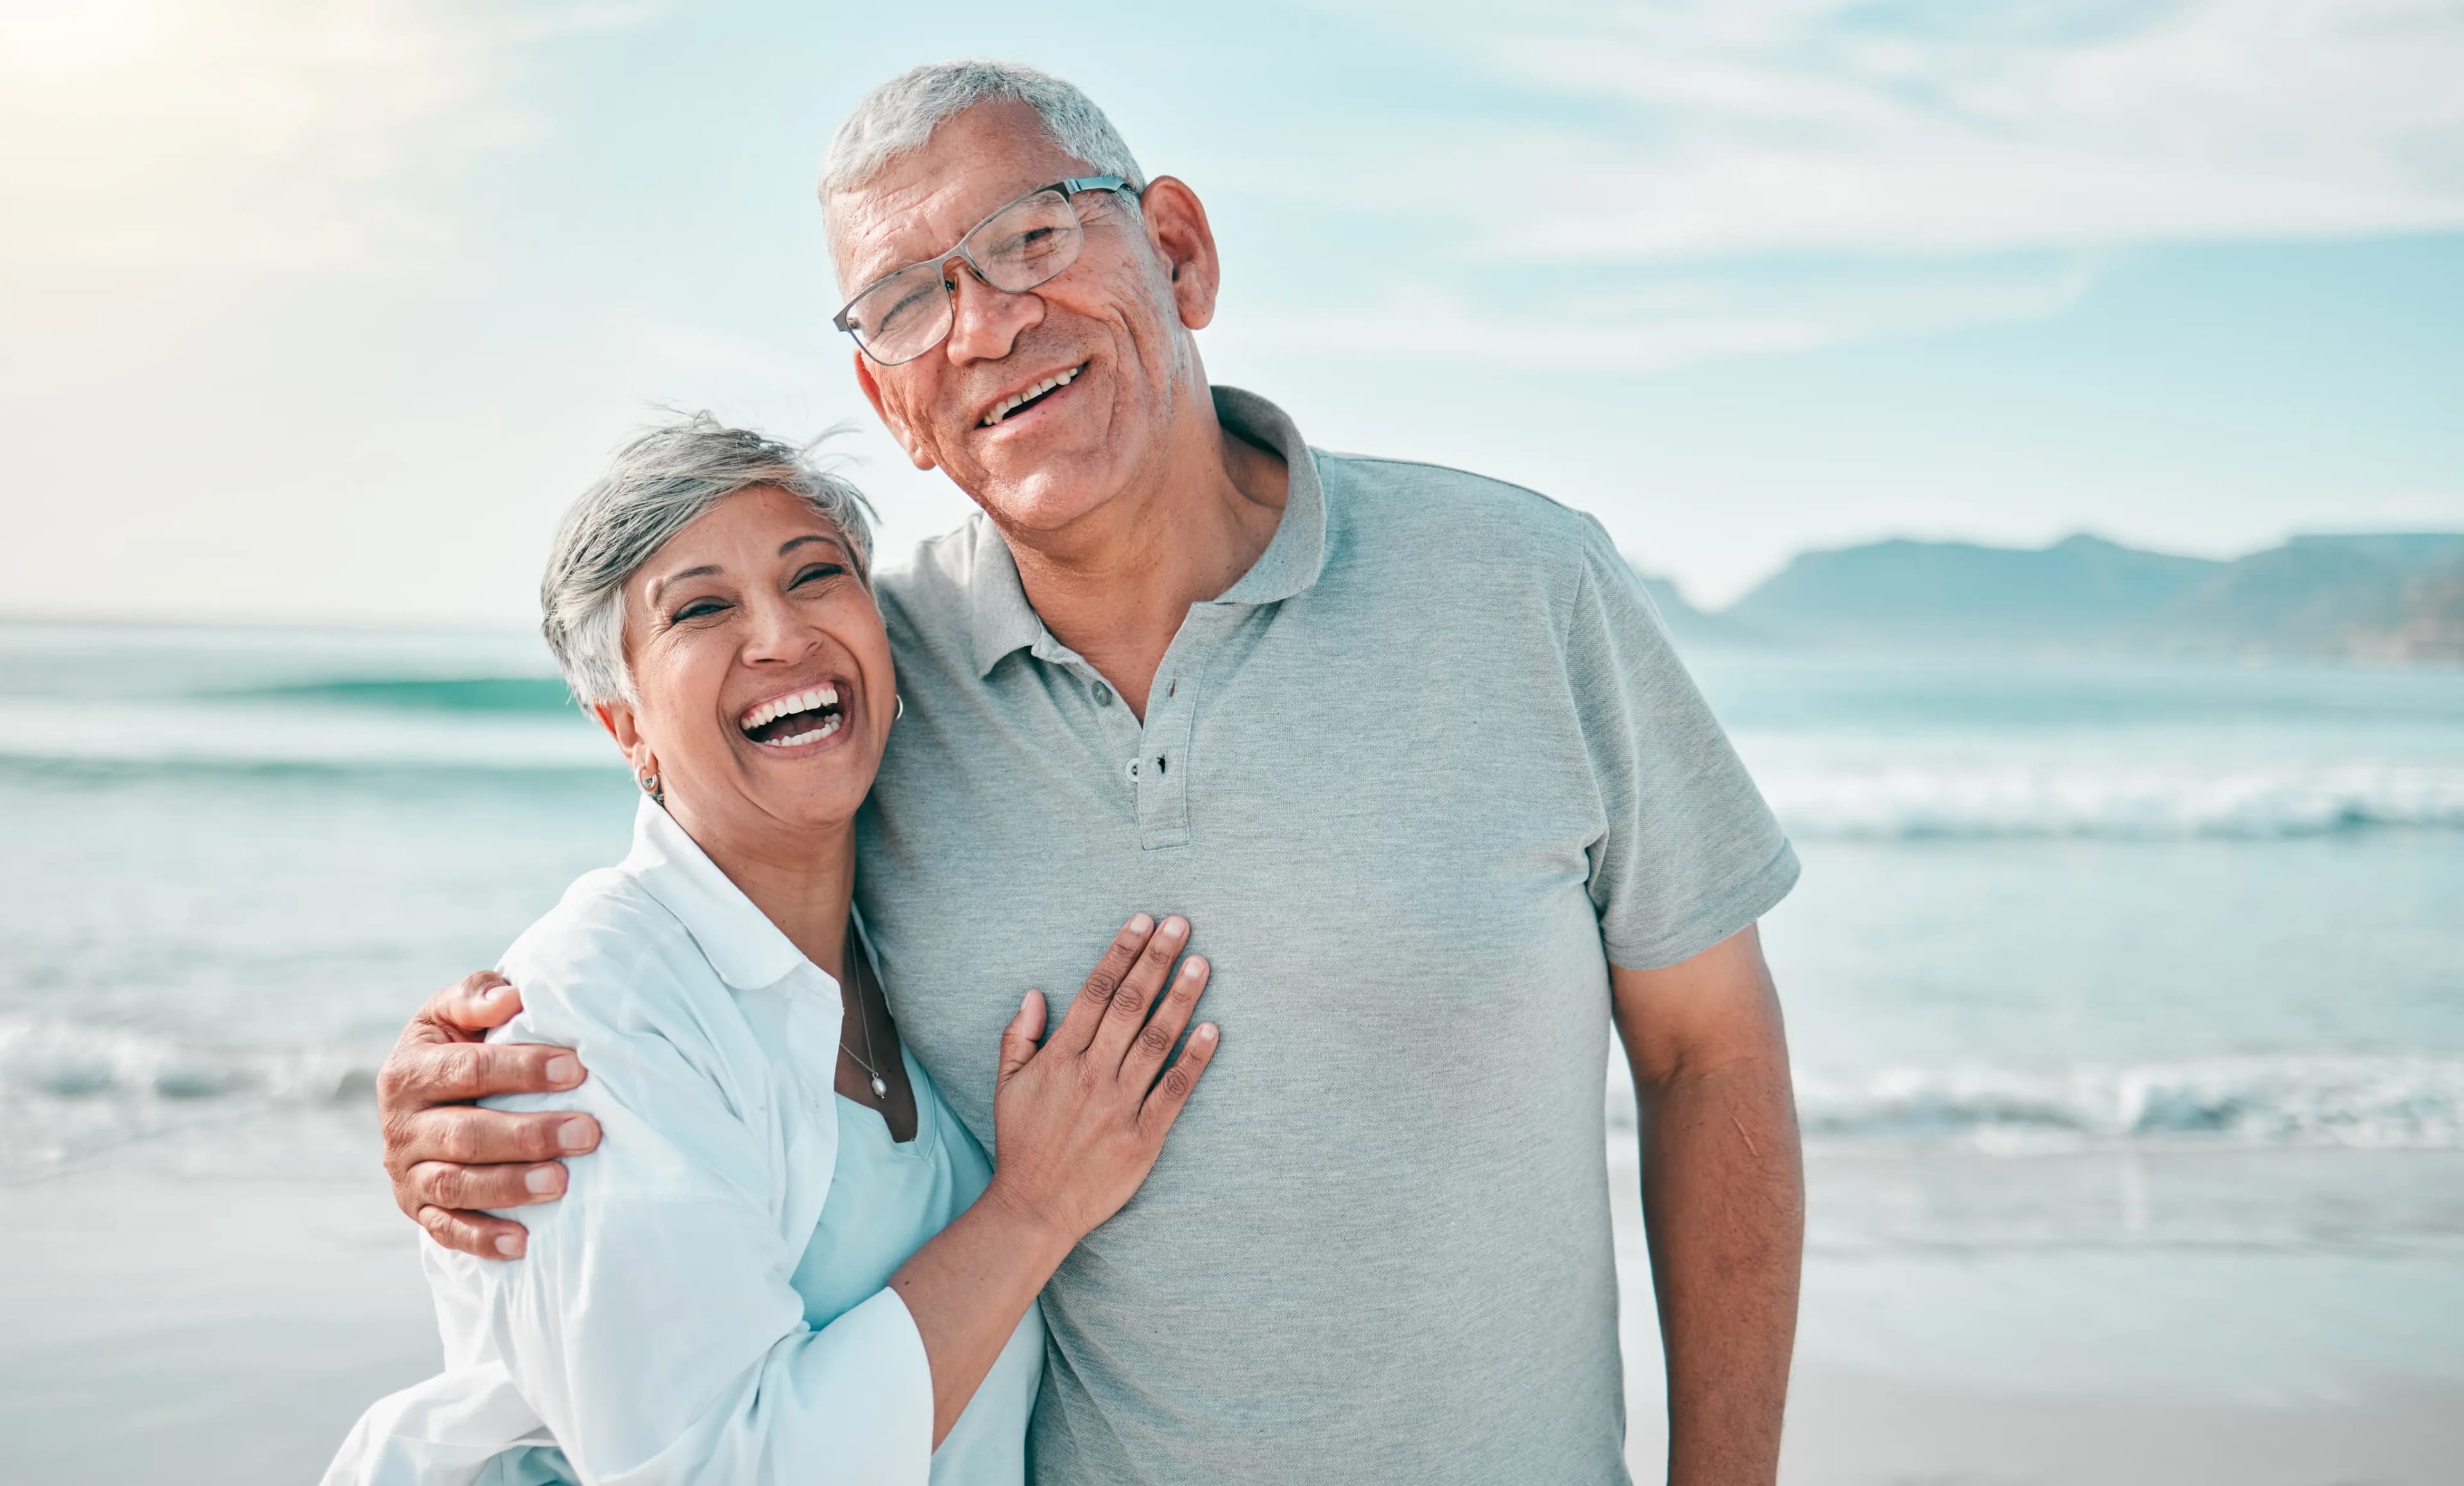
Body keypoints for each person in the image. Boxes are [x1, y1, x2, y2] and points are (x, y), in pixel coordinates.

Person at [370, 60, 1805, 1485]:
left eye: (1033, 236)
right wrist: (477, 1090)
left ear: (1177, 250)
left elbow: (1711, 1050)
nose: (988, 324)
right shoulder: (873, 668)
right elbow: (695, 900)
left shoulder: (1524, 586)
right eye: (910, 298)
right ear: (890, 400)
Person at [325, 420, 1217, 1485]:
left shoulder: (898, 935)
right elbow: (725, 1469)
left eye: (816, 577)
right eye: (702, 608)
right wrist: (1035, 1210)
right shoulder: (589, 1016)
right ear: (626, 728)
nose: (782, 637)